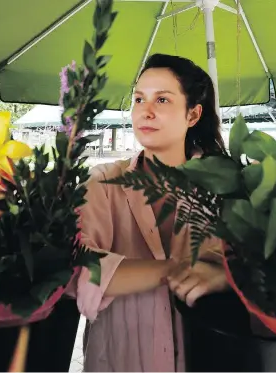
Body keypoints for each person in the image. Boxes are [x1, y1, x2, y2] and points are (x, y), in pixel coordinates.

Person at [72, 54, 233, 372]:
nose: (145, 111)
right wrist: (177, 269)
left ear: (193, 114)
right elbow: (86, 270)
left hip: (207, 355)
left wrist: (224, 277)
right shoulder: (104, 181)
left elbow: (254, 269)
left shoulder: (225, 187)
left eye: (162, 99)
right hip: (121, 357)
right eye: (138, 99)